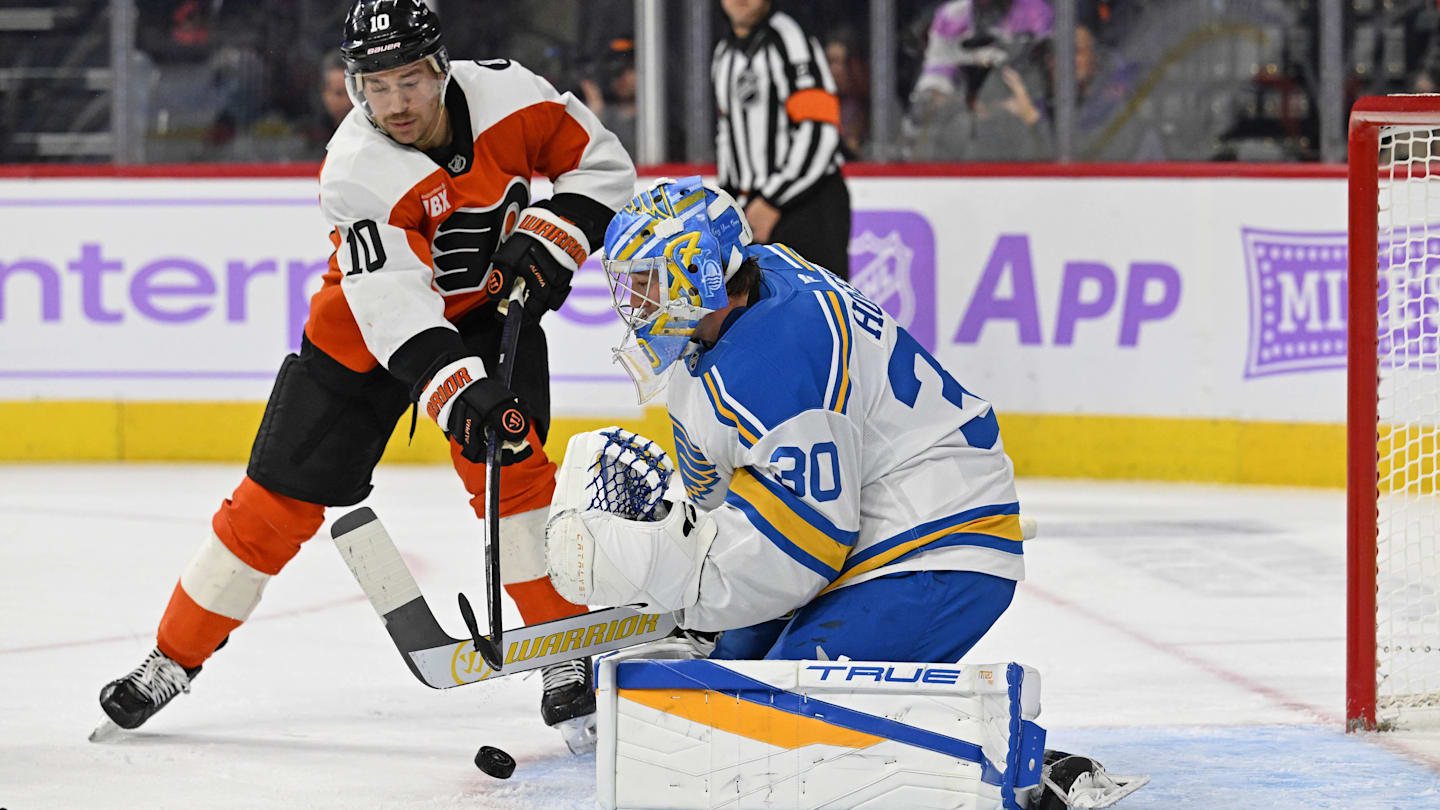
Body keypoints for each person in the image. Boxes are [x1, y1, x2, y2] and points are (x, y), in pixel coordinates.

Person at [97, 0, 636, 752]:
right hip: (362, 338)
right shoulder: (356, 169)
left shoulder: (513, 94)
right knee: (272, 506)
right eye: (374, 85)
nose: (394, 104)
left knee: (515, 475)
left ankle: (560, 656)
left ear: (440, 68)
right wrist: (457, 393)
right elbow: (392, 308)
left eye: (409, 80)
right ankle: (171, 657)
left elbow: (603, 163)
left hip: (487, 315)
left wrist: (555, 235)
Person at [544, 176, 1023, 664]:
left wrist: (689, 590)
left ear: (699, 273)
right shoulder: (756, 282)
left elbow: (808, 550)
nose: (634, 302)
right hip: (872, 518)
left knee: (768, 716)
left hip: (933, 546)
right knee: (732, 676)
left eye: (646, 280)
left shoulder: (775, 359)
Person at [713, 0, 852, 279]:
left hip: (809, 205)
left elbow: (820, 130)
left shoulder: (791, 40)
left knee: (815, 312)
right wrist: (730, 202)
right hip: (754, 207)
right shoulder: (723, 53)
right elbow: (728, 136)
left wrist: (773, 201)